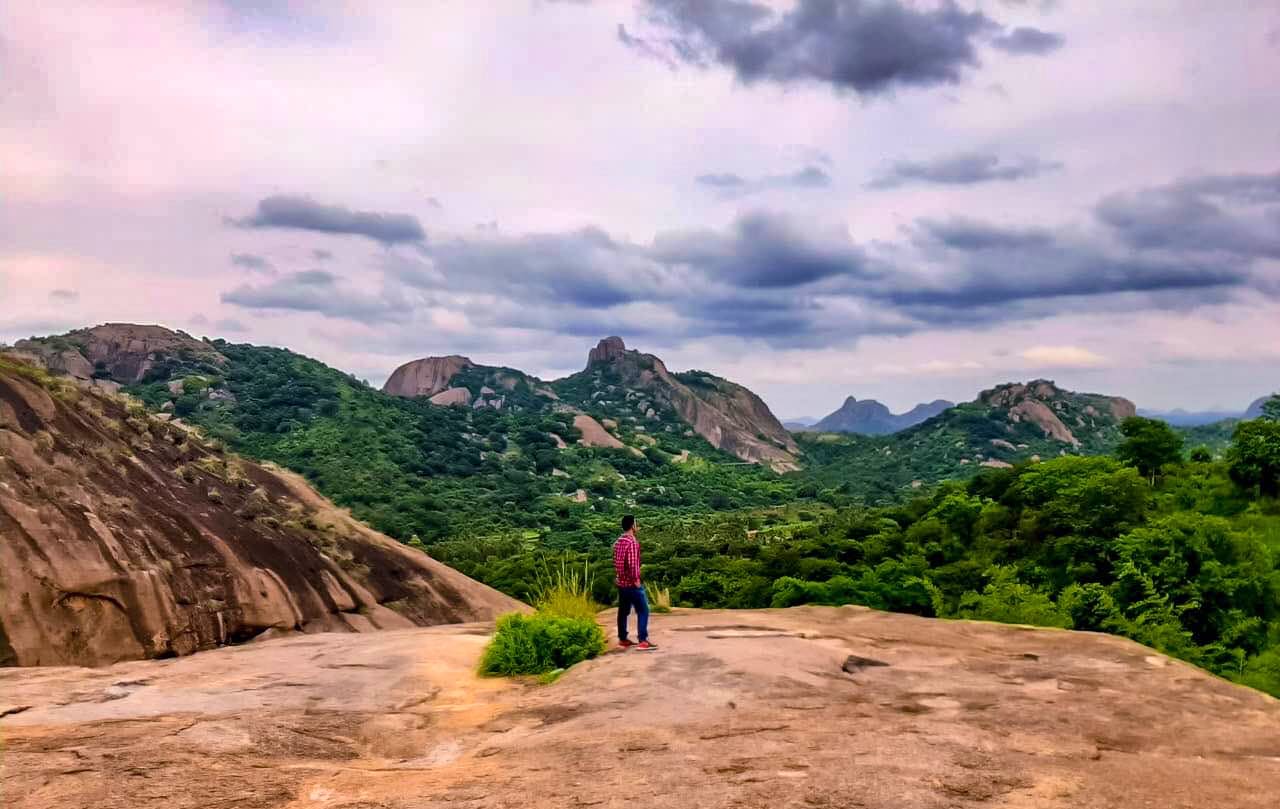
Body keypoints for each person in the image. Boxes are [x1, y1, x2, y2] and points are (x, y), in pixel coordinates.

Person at [613, 514, 656, 650]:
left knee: (623, 611)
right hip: (631, 584)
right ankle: (643, 640)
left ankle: (623, 638)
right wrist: (636, 580)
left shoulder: (619, 541)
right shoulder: (632, 542)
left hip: (621, 583)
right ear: (632, 526)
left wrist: (619, 576)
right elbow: (632, 564)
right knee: (643, 610)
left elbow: (616, 561)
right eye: (636, 524)